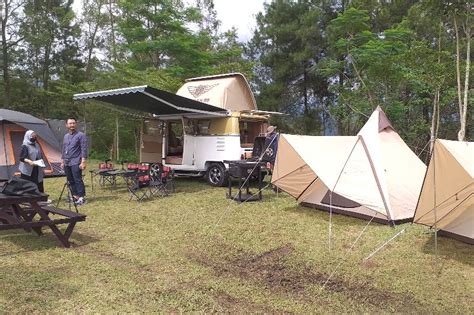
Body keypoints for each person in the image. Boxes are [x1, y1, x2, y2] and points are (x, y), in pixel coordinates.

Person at [61, 118, 88, 205]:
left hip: (76, 161)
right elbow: (64, 148)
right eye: (70, 123)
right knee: (70, 180)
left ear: (76, 124)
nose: (72, 125)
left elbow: (84, 149)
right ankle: (75, 196)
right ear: (66, 125)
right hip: (67, 162)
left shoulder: (81, 135)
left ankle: (81, 197)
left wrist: (83, 161)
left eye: (73, 123)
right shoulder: (66, 136)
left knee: (77, 179)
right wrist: (62, 161)